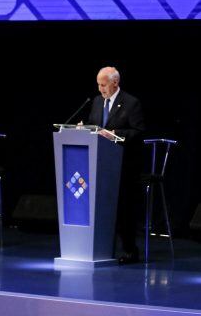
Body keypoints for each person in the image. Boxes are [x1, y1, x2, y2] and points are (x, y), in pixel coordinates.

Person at [85, 67, 145, 265]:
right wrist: (82, 128)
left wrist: (114, 134)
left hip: (124, 165)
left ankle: (129, 250)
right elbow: (94, 125)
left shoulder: (131, 103)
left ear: (115, 83)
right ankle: (100, 248)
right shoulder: (96, 101)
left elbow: (138, 131)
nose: (100, 88)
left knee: (124, 208)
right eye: (98, 84)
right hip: (98, 164)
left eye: (103, 85)